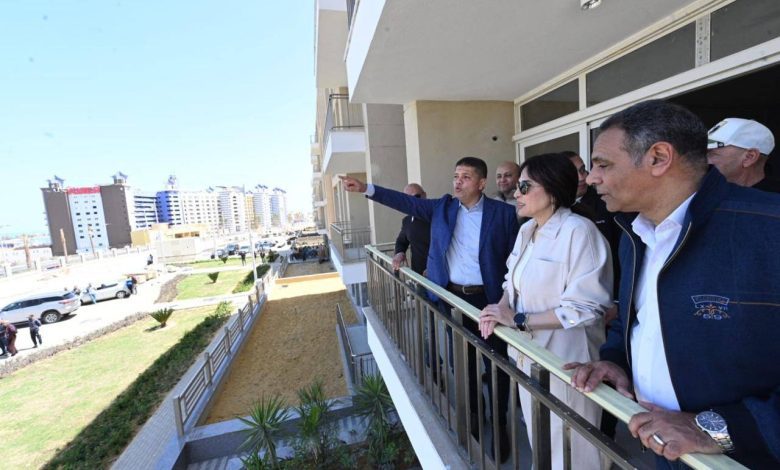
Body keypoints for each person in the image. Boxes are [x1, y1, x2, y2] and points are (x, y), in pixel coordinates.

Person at [566, 100, 780, 469]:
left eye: (603, 164)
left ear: (659, 158)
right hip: (664, 448)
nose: (592, 178)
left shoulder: (768, 228)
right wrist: (616, 363)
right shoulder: (634, 233)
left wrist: (717, 428)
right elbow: (635, 320)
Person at [341, 157, 519, 461]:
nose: (458, 181)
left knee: (496, 364)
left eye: (465, 177)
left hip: (489, 301)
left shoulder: (503, 214)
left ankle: (500, 422)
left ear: (481, 183)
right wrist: (366, 188)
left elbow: (515, 258)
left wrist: (507, 300)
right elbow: (404, 202)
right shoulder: (442, 207)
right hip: (452, 299)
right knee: (462, 363)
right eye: (455, 175)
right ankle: (475, 416)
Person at [479, 153, 613, 470]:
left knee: (574, 450)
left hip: (568, 362)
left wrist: (519, 320)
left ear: (552, 190)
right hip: (529, 356)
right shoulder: (527, 231)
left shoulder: (579, 232)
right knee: (541, 439)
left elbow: (586, 308)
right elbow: (511, 282)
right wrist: (499, 308)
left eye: (525, 186)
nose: (516, 192)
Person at [706, 117, 780, 192]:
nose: (701, 160)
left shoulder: (773, 197)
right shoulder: (704, 190)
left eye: (710, 153)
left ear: (749, 157)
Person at [391, 183, 431, 275]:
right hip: (418, 275)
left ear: (424, 195)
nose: (413, 201)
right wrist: (399, 253)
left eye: (416, 196)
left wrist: (434, 268)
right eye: (408, 198)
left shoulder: (437, 217)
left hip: (439, 276)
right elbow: (401, 241)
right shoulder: (407, 221)